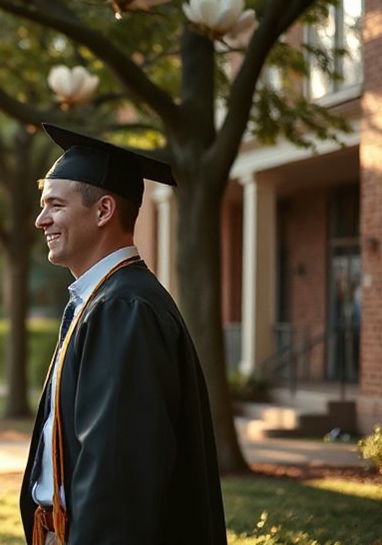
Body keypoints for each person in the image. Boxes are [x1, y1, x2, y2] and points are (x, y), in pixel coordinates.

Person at [21, 124, 226, 545]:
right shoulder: (103, 300)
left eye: (55, 205)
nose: (41, 220)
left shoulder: (123, 309)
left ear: (104, 211)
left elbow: (117, 473)